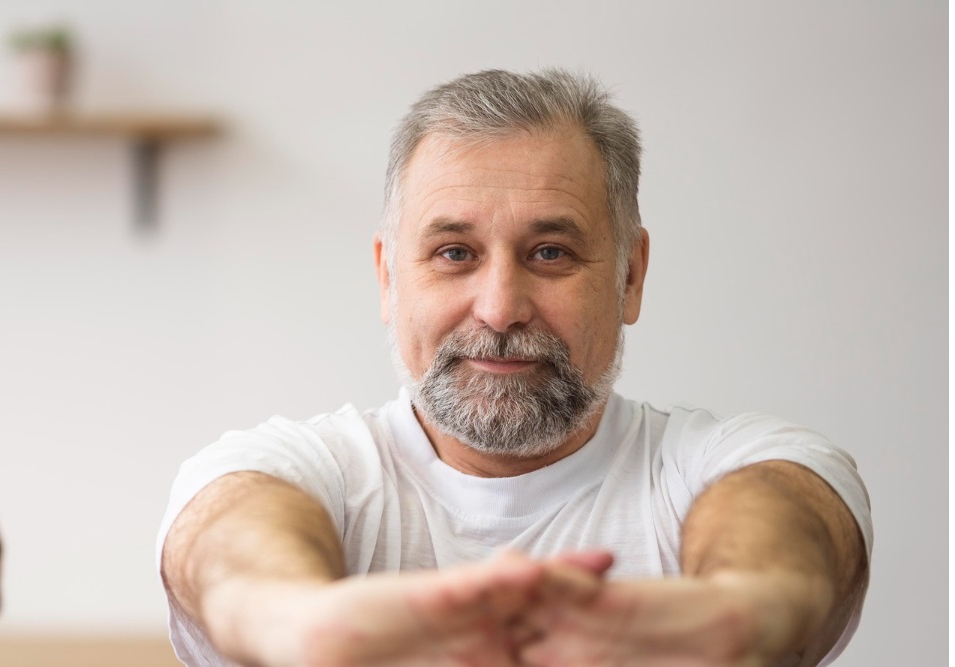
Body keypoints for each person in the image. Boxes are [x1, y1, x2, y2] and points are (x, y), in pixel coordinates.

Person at [157, 69, 871, 667]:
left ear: (630, 276)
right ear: (387, 278)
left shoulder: (713, 465)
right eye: (455, 253)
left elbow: (793, 524)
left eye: (551, 252)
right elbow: (227, 537)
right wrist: (299, 623)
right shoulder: (303, 468)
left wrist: (744, 610)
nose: (500, 309)